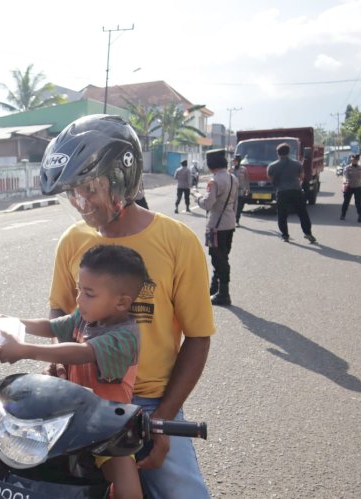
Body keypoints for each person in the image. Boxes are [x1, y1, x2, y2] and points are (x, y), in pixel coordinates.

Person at [39, 114, 215, 499]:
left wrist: (163, 420)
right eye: (73, 192)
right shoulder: (73, 241)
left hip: (150, 402)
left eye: (90, 188)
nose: (81, 203)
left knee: (184, 494)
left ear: (122, 178)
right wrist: (56, 356)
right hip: (83, 397)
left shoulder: (177, 242)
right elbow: (59, 311)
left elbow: (198, 338)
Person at [0, 244, 150, 499]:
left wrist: (24, 350)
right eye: (79, 289)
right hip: (69, 422)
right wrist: (13, 322)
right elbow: (52, 326)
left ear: (121, 302)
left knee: (127, 486)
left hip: (107, 430)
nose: (78, 299)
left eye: (88, 293)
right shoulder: (85, 317)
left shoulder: (124, 337)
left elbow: (80, 352)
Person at [193, 149, 238, 306]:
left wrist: (197, 197)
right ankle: (214, 287)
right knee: (222, 256)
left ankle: (224, 293)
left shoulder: (214, 181)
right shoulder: (233, 178)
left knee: (218, 258)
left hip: (216, 226)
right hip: (229, 223)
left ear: (211, 165)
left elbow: (207, 204)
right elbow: (235, 203)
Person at [267, 143, 317, 243]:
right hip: (296, 191)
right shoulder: (297, 164)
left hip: (282, 192)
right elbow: (301, 177)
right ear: (289, 152)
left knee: (282, 215)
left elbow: (270, 178)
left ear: (278, 153)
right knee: (302, 213)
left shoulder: (272, 166)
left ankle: (285, 235)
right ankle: (308, 233)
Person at [341, 153, 361, 223]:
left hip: (358, 187)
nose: (354, 161)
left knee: (358, 203)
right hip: (349, 187)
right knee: (346, 202)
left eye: (356, 160)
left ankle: (360, 217)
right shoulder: (347, 168)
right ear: (351, 160)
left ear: (358, 160)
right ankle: (343, 215)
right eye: (353, 160)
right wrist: (345, 182)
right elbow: (345, 176)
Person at [232, 153, 250, 226]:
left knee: (239, 207)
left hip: (241, 191)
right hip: (232, 191)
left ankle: (237, 220)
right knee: (232, 206)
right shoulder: (230, 169)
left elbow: (246, 179)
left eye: (236, 160)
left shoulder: (244, 169)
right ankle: (233, 220)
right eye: (234, 160)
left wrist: (247, 189)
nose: (234, 162)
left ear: (239, 161)